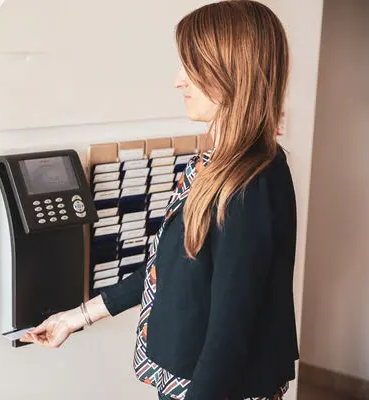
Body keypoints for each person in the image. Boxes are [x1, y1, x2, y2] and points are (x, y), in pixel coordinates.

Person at [21, 1, 299, 399]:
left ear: (230, 72)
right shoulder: (211, 167)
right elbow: (166, 268)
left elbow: (231, 331)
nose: (178, 81)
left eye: (192, 67)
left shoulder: (250, 181)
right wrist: (75, 318)